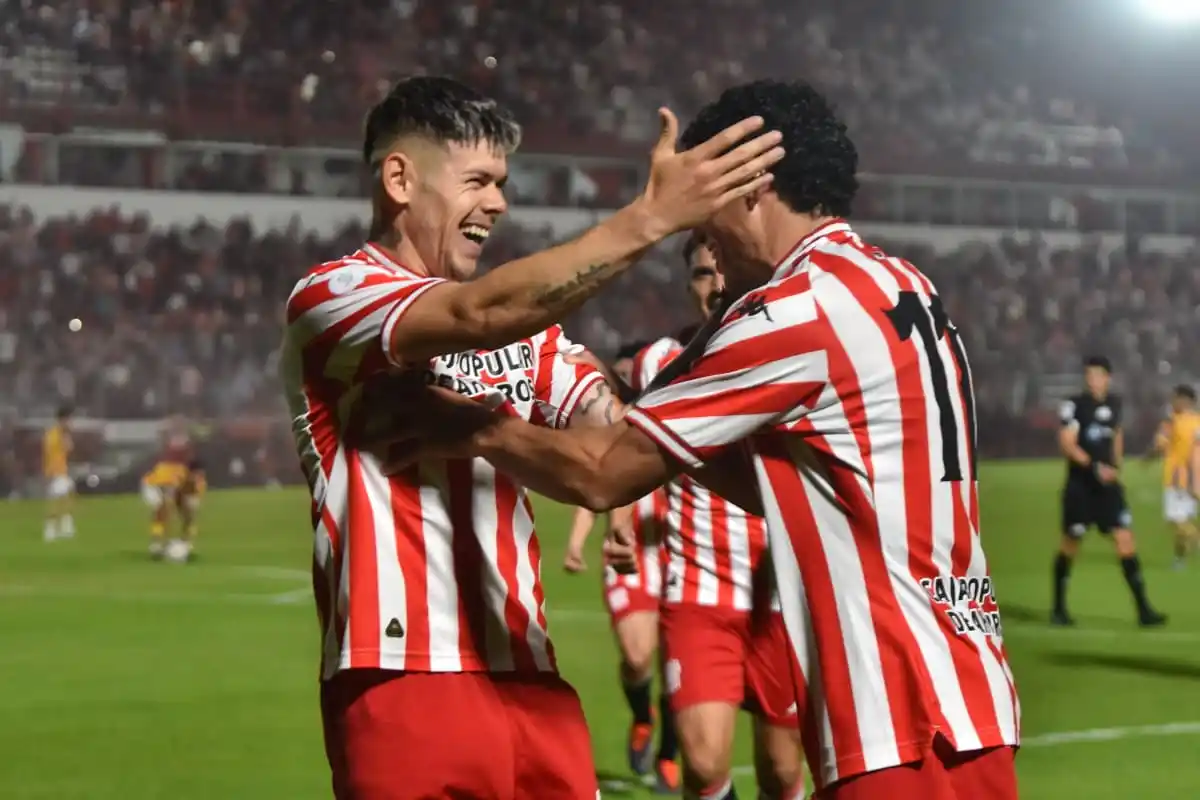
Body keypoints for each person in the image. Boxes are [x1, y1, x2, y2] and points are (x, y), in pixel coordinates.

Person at [379, 80, 1022, 800]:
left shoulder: (794, 311)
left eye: (705, 198)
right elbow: (788, 482)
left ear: (752, 186)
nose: (700, 234)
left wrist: (473, 424)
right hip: (970, 695)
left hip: (897, 713)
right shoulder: (902, 284)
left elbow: (601, 472)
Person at [280, 75, 783, 799]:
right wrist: (651, 218)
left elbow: (617, 427)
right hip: (403, 674)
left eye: (502, 183)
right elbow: (481, 315)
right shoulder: (333, 299)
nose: (498, 203)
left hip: (530, 676)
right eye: (478, 181)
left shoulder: (533, 339)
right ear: (399, 179)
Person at [654, 238, 803, 800]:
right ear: (687, 285)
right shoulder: (661, 364)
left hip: (782, 598)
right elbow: (625, 439)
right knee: (702, 760)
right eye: (699, 274)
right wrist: (623, 515)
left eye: (722, 271)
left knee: (784, 770)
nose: (713, 285)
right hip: (699, 591)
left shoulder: (787, 354)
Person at [562, 339, 682, 792]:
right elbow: (598, 486)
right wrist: (576, 543)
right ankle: (641, 716)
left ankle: (670, 753)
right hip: (628, 556)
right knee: (636, 657)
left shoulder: (682, 418)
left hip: (676, 552)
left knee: (677, 662)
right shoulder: (618, 426)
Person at [1055, 357, 1166, 626]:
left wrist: (1116, 466)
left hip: (1107, 488)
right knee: (1072, 542)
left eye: (1097, 375)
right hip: (1081, 487)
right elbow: (1067, 444)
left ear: (1107, 378)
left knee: (1125, 540)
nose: (1092, 380)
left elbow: (1116, 435)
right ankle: (1059, 609)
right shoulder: (1074, 406)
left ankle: (1143, 610)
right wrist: (1095, 467)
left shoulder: (1115, 404)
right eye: (1088, 376)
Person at [1149, 384, 1200, 568]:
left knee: (1175, 519)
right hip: (1195, 480)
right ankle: (1180, 559)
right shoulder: (1198, 421)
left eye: (1175, 398)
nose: (1172, 402)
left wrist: (1148, 457)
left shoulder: (1172, 421)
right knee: (1184, 520)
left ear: (1184, 401)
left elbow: (1159, 446)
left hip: (1177, 478)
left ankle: (1195, 542)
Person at [141, 416, 201, 561]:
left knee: (186, 510)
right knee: (162, 509)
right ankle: (157, 543)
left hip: (178, 480)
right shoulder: (166, 465)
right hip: (158, 481)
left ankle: (185, 542)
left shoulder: (186, 465)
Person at [42, 404, 76, 542]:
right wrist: (66, 434)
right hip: (55, 471)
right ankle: (51, 530)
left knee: (65, 499)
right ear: (63, 419)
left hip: (61, 470)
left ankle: (64, 527)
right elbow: (66, 447)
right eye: (69, 419)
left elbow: (68, 449)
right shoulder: (56, 433)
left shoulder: (54, 433)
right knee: (56, 501)